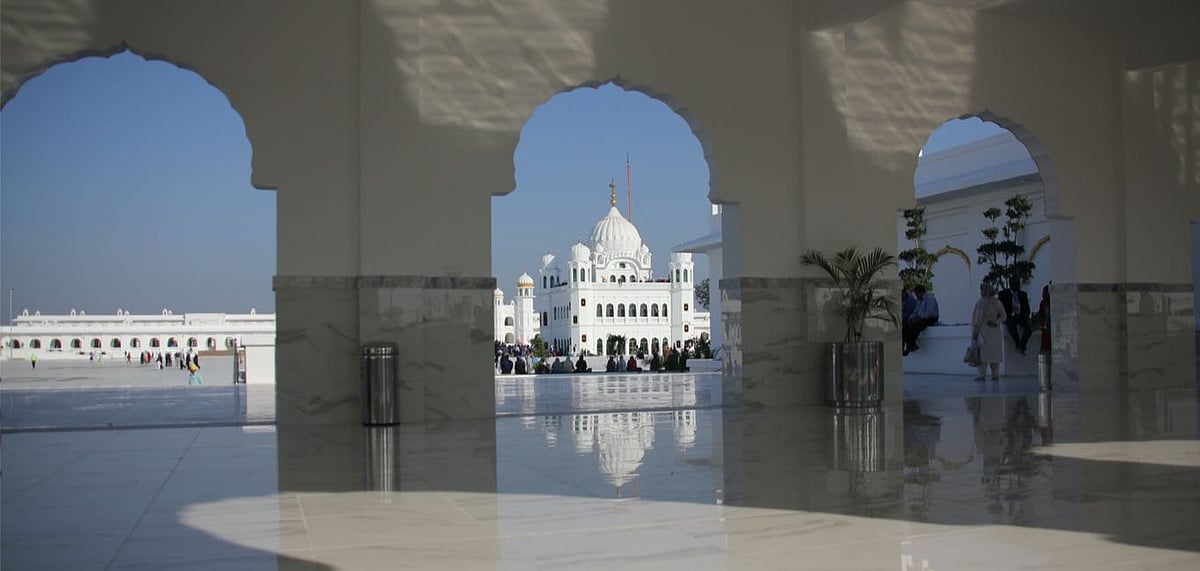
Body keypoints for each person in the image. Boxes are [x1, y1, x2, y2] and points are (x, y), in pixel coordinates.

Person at [972, 282, 1008, 381]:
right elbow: (1004, 316)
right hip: (995, 331)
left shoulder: (981, 303)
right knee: (994, 354)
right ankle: (995, 374)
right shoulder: (998, 302)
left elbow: (978, 320)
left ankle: (982, 375)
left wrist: (975, 333)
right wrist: (996, 322)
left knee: (983, 354)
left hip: (984, 331)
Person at [999, 277, 1032, 355]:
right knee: (1011, 324)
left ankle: (1022, 345)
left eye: (1018, 283)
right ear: (1011, 284)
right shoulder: (1003, 294)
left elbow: (1027, 309)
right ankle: (1018, 344)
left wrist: (1025, 316)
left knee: (1029, 326)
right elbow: (1000, 308)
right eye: (1016, 283)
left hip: (1020, 316)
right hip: (1009, 316)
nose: (1018, 285)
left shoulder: (1023, 294)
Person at [903, 285, 939, 356]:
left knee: (917, 326)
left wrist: (918, 318)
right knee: (906, 326)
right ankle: (908, 346)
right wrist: (911, 318)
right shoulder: (918, 300)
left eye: (917, 293)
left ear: (921, 292)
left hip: (931, 318)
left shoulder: (930, 299)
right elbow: (915, 311)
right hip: (920, 318)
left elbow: (930, 313)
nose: (916, 295)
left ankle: (911, 344)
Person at [1036, 284, 1051, 354]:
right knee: (1045, 350)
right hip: (1046, 330)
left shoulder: (1053, 302)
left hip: (1052, 329)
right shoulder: (1043, 303)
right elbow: (1041, 315)